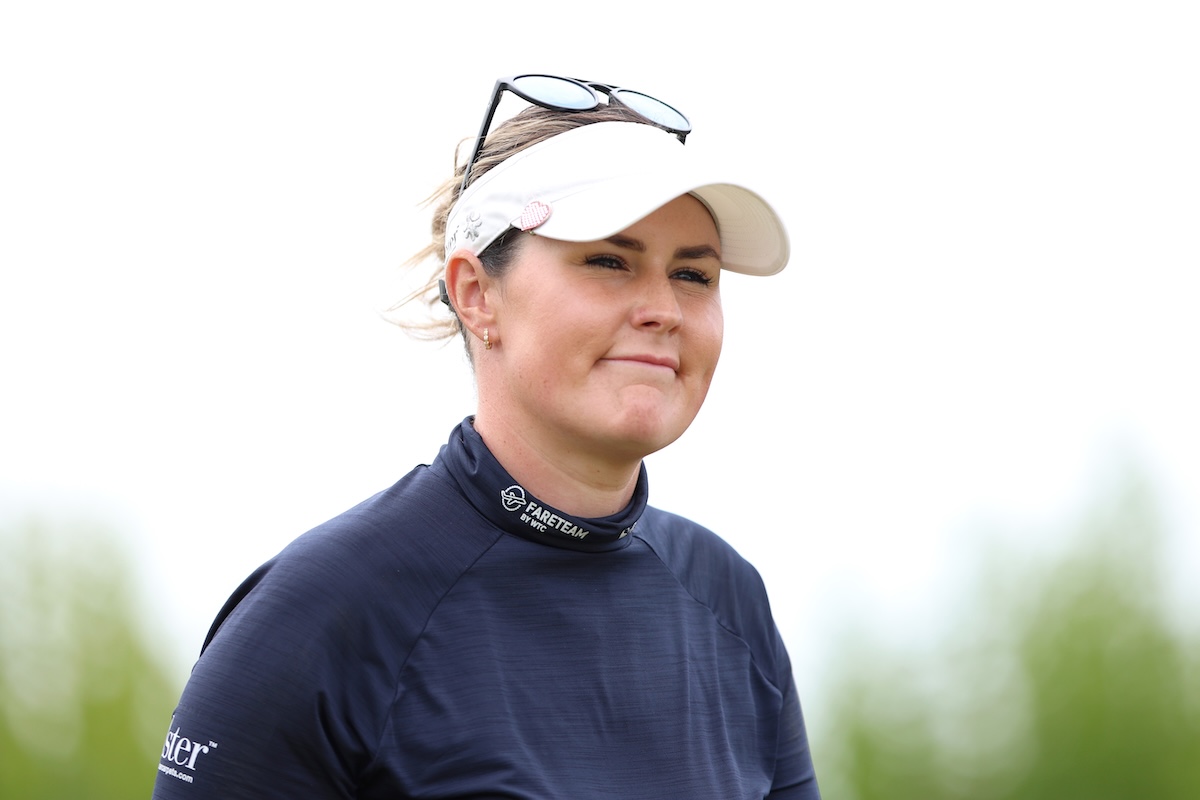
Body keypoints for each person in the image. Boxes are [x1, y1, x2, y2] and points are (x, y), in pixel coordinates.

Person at [151, 74, 821, 799]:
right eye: (608, 260)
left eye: (694, 274)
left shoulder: (730, 599)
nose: (664, 309)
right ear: (476, 294)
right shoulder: (322, 610)